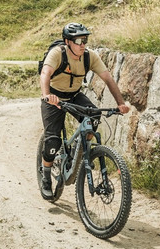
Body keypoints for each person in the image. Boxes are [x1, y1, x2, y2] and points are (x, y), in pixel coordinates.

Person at [39, 22, 130, 198]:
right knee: (52, 142)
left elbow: (108, 79)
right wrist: (47, 95)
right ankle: (46, 176)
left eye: (85, 40)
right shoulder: (58, 53)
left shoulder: (89, 56)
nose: (83, 44)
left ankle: (78, 152)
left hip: (74, 95)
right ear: (67, 41)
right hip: (54, 97)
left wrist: (121, 103)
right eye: (78, 40)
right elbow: (45, 73)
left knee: (94, 115)